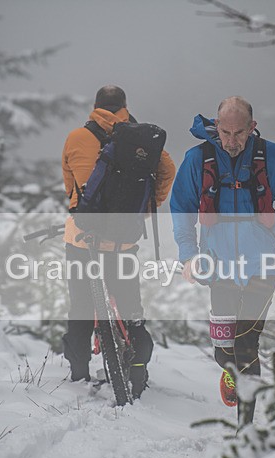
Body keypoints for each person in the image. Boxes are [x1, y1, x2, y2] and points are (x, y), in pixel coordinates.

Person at [171, 96, 275, 425]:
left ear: (252, 127)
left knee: (247, 343)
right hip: (219, 265)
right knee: (224, 348)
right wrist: (189, 254)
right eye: (226, 132)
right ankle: (230, 372)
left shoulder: (271, 156)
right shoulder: (198, 159)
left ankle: (246, 425)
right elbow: (181, 208)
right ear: (216, 127)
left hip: (264, 262)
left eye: (239, 133)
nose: (231, 141)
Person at [60, 85, 175, 396]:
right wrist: (147, 209)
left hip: (82, 240)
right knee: (130, 308)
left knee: (81, 307)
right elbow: (167, 170)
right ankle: (138, 372)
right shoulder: (140, 140)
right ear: (124, 106)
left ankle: (79, 373)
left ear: (95, 106)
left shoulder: (76, 138)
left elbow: (71, 185)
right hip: (123, 241)